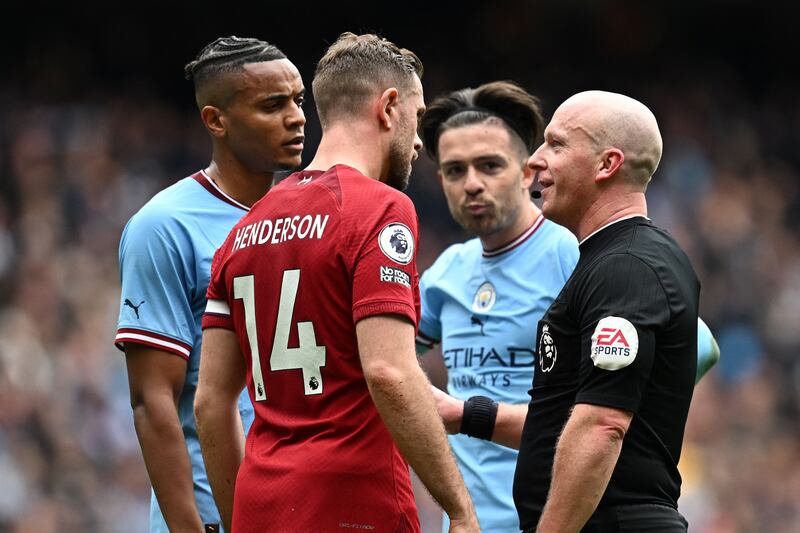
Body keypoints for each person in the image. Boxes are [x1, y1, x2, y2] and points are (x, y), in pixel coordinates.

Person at [194, 32, 478, 533]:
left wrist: (244, 518)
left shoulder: (240, 233)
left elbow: (211, 403)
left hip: (262, 504)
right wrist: (459, 507)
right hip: (353, 503)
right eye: (417, 118)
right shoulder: (380, 209)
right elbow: (389, 372)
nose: (418, 142)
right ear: (388, 108)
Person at [416, 82, 720, 532]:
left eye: (489, 166)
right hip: (475, 520)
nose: (472, 184)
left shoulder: (577, 250)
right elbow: (385, 360)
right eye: (455, 170)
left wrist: (609, 413)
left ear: (523, 173)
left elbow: (695, 348)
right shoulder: (446, 273)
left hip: (569, 515)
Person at [115, 36, 306, 533]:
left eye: (298, 100)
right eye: (273, 105)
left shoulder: (309, 216)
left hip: (298, 508)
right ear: (216, 120)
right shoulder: (165, 225)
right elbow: (152, 400)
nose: (296, 117)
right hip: (213, 515)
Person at [512, 90, 700, 532]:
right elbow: (564, 417)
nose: (535, 160)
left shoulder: (626, 267)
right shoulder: (621, 260)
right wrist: (468, 416)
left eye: (556, 145)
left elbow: (602, 425)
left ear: (606, 164)